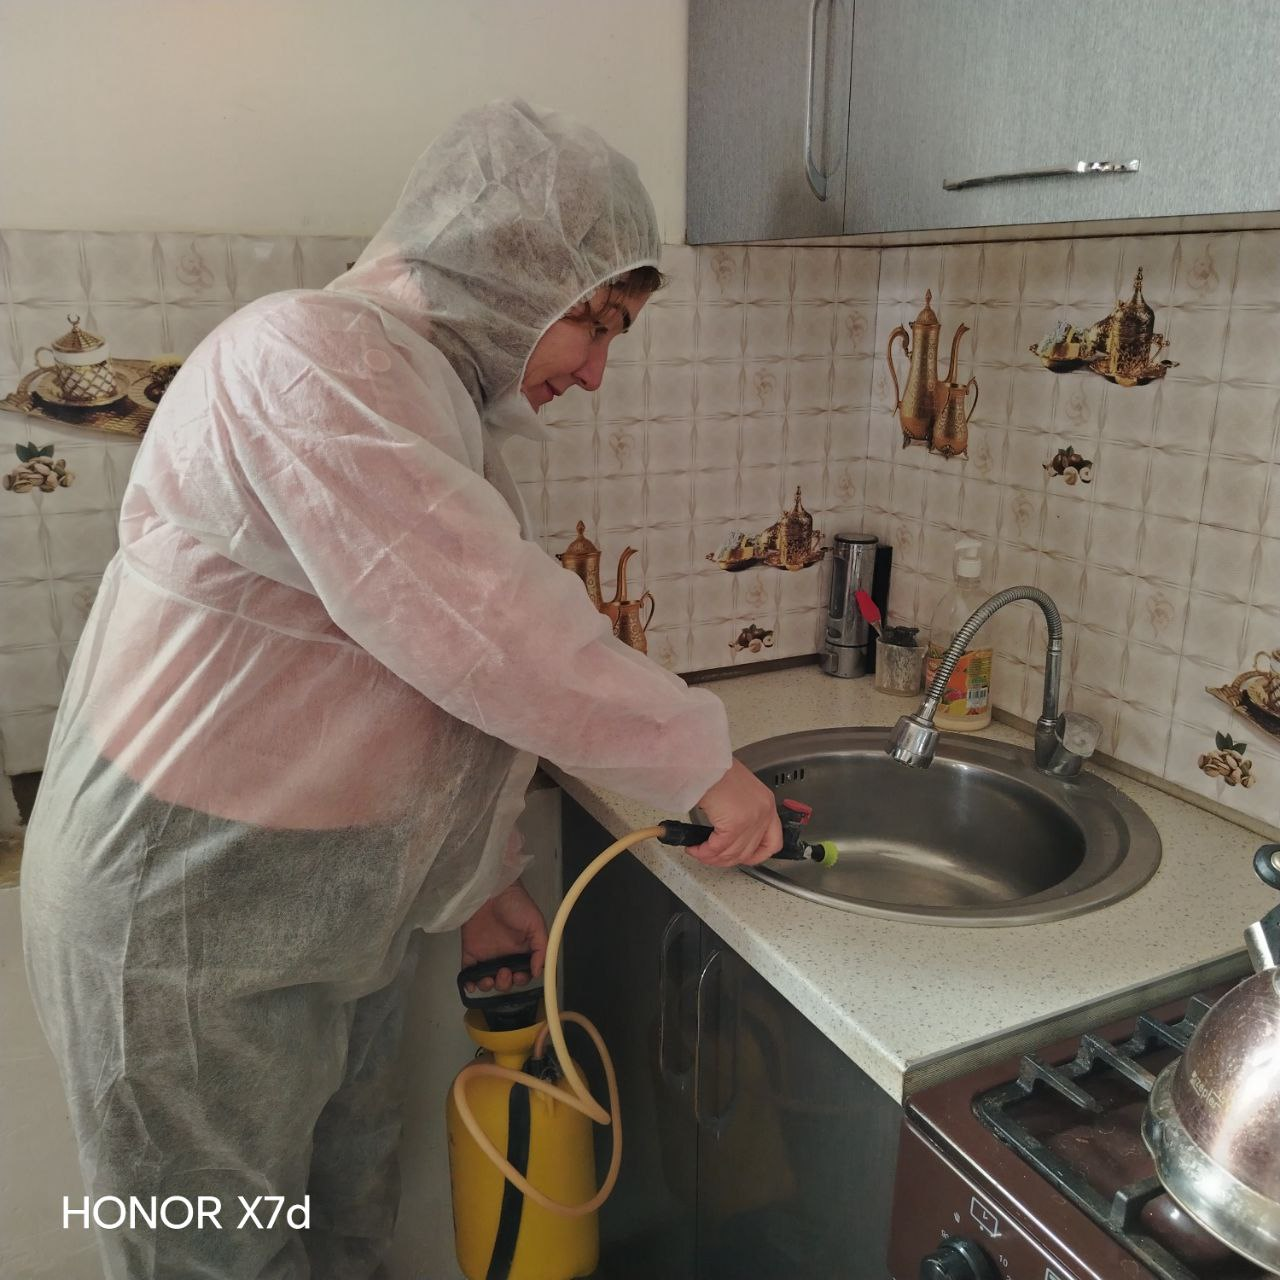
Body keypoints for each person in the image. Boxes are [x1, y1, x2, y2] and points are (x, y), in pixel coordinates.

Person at [20, 99, 782, 1279]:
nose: (594, 372)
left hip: (318, 920)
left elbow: (423, 690)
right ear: (506, 264)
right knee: (212, 1258)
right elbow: (484, 629)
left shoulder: (422, 407)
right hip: (177, 922)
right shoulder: (304, 358)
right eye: (595, 324)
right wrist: (699, 763)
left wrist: (484, 880)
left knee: (345, 1225)